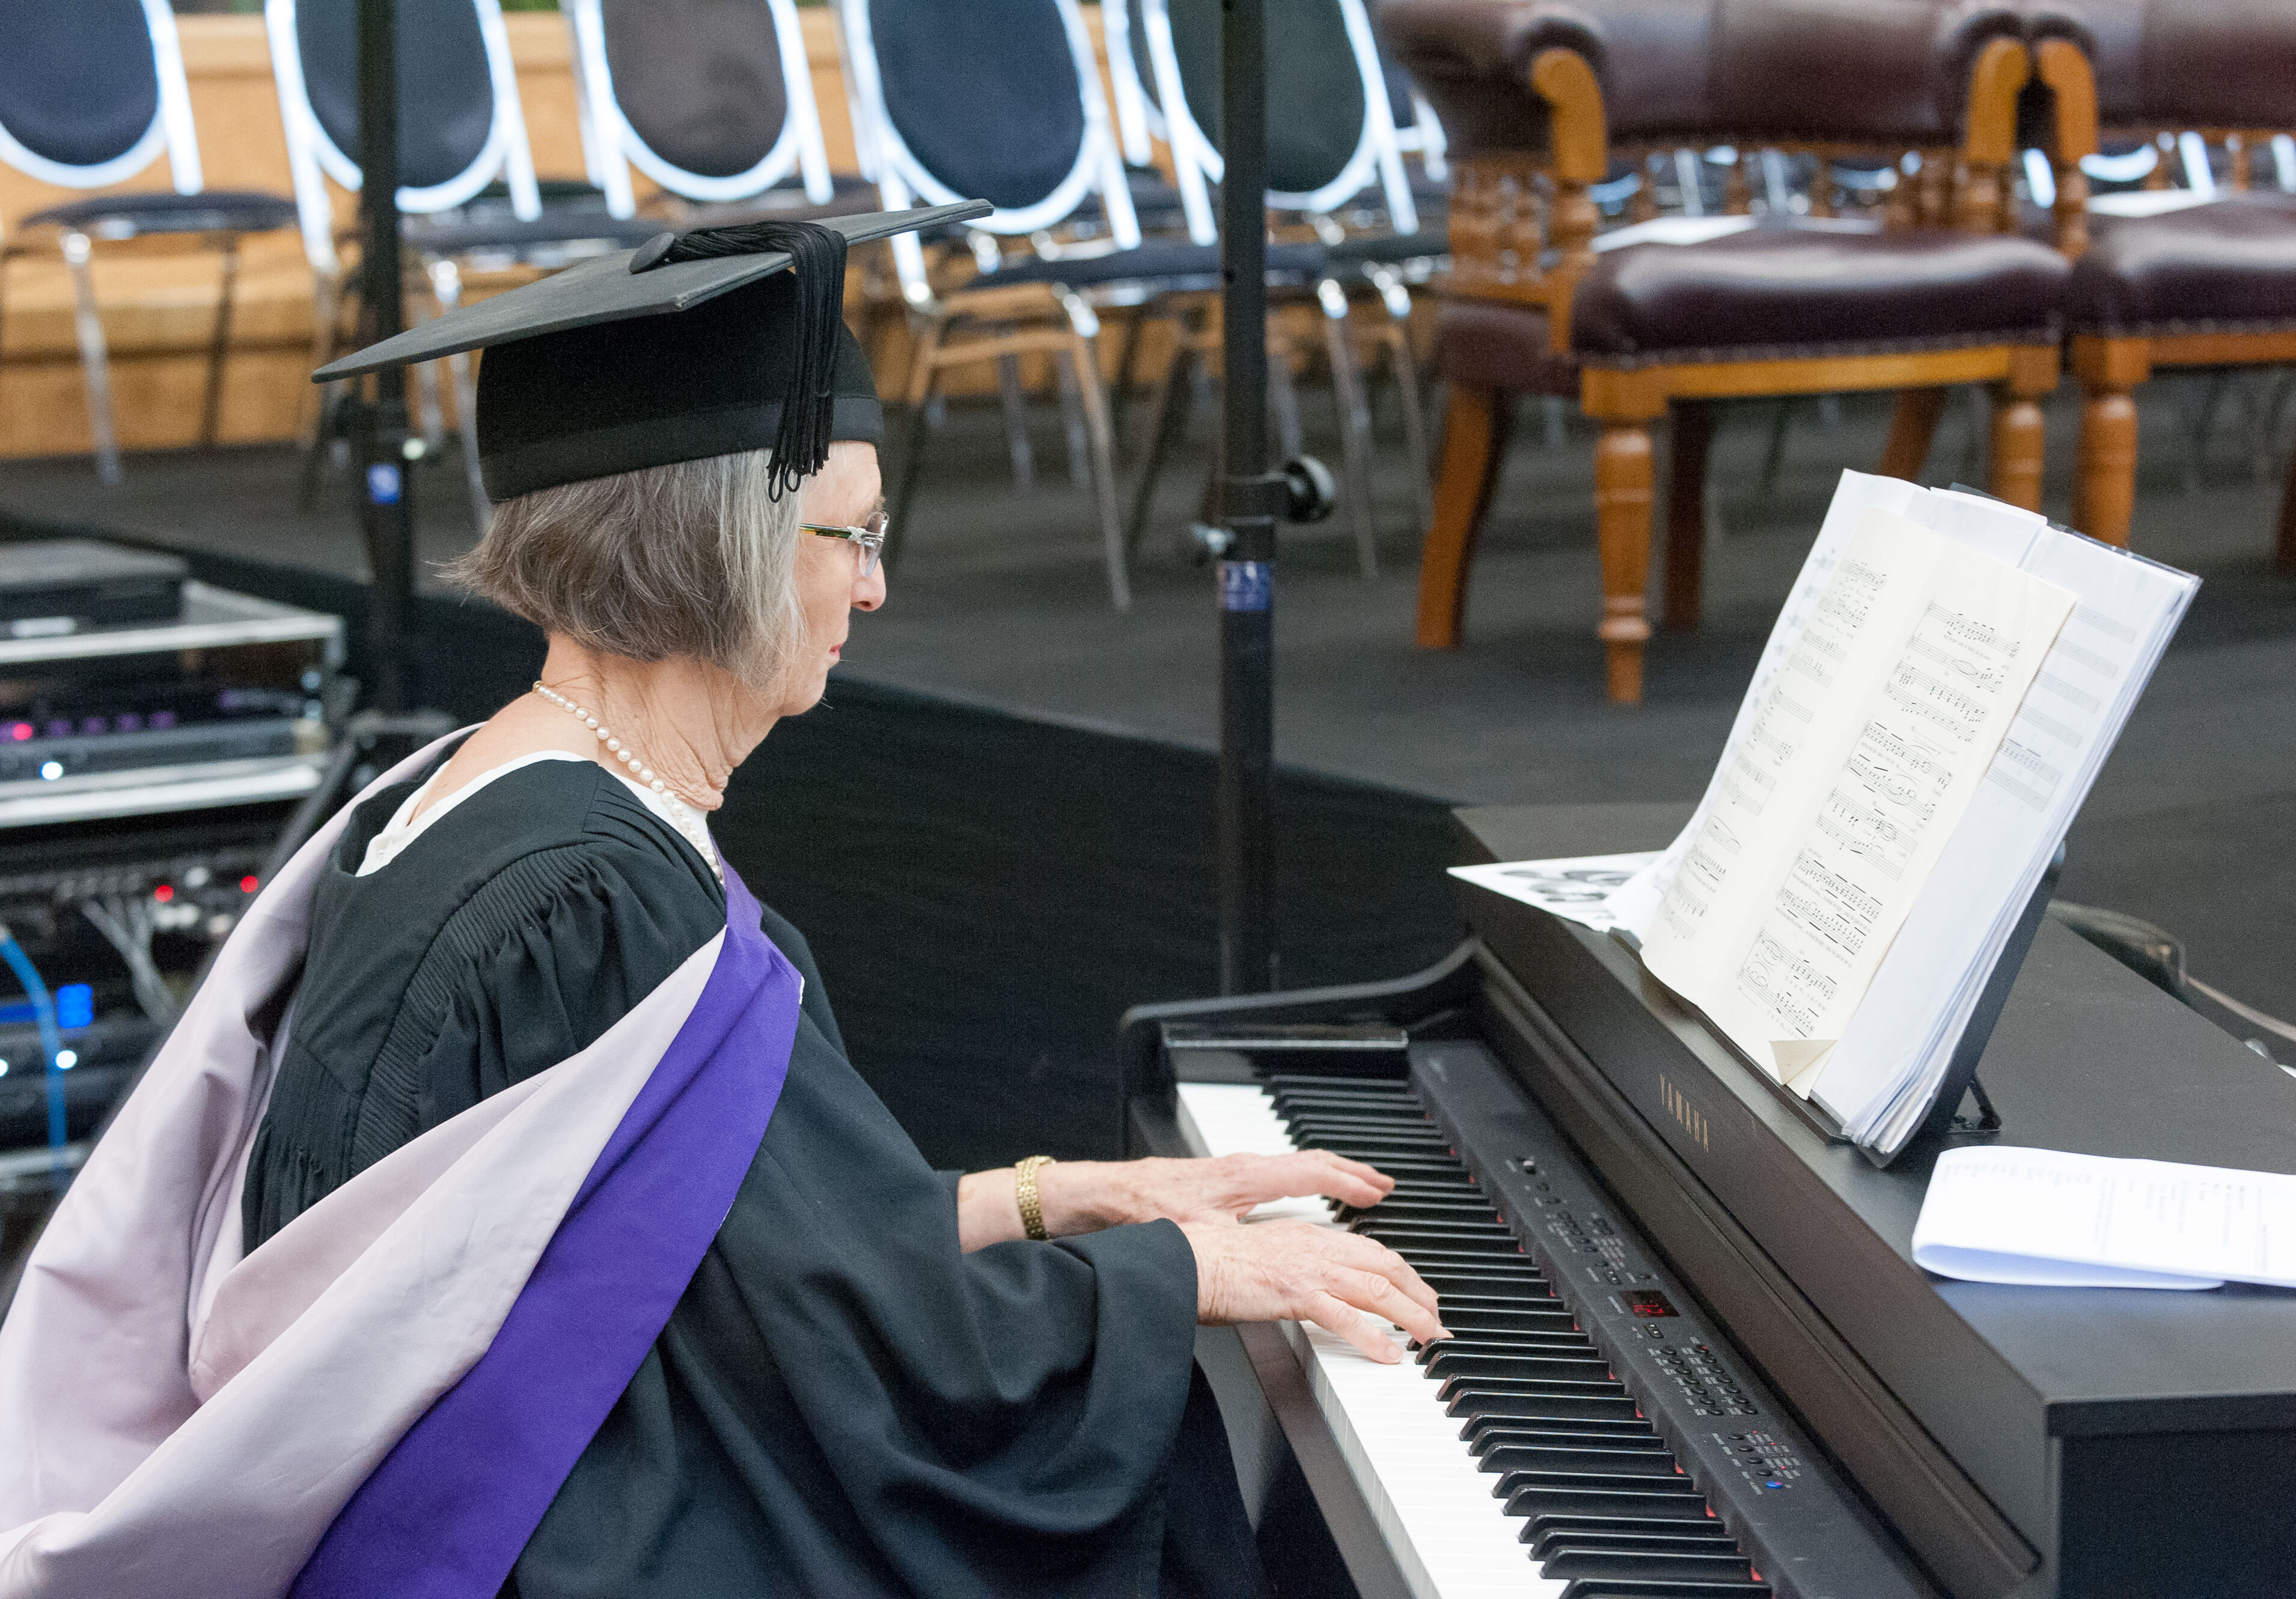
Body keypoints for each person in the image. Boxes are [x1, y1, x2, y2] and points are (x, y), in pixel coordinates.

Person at [0, 208, 1444, 1599]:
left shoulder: (469, 795)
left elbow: (683, 1257)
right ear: (722, 542)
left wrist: (1053, 1196)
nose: (874, 589)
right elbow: (859, 1348)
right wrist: (1168, 1275)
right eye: (851, 535)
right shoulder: (594, 899)